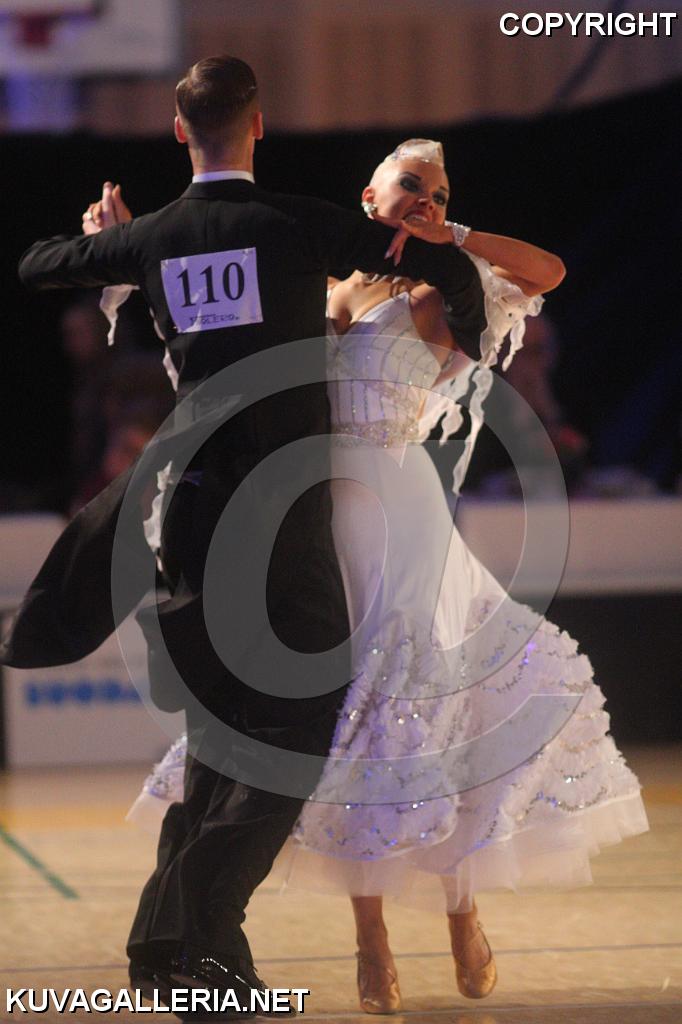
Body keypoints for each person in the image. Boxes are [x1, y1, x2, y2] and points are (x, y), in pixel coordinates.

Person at [1, 58, 489, 1018]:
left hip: (189, 513)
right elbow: (436, 264)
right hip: (281, 515)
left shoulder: (157, 236)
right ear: (259, 126)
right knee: (295, 736)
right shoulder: (298, 224)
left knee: (218, 738)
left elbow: (36, 264)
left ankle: (168, 956)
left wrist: (109, 241)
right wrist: (461, 333)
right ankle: (207, 926)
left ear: (180, 131)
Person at [132, 139, 649, 1014]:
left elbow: (548, 272)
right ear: (371, 196)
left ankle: (461, 907)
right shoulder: (317, 287)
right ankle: (369, 937)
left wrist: (458, 237)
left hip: (400, 517)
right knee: (347, 728)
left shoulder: (438, 294)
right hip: (310, 521)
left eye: (439, 192)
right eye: (412, 184)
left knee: (422, 713)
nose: (426, 199)